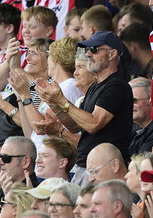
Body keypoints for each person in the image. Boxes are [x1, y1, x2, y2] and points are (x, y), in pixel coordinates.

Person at [36, 31, 134, 182]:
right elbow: (75, 126)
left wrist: (62, 101)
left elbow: (93, 123)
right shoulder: (95, 87)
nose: (88, 54)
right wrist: (53, 102)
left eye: (94, 50)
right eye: (88, 50)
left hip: (104, 167)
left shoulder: (116, 86)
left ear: (112, 54)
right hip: (86, 164)